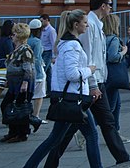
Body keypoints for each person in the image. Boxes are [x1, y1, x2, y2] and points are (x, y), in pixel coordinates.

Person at [45, 0, 130, 166]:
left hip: (97, 81)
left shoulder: (97, 24)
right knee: (96, 124)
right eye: (110, 4)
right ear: (103, 6)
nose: (111, 7)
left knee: (86, 124)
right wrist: (93, 85)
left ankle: (123, 159)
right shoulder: (89, 25)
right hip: (93, 83)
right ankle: (123, 159)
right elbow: (87, 58)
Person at [23, 10, 102, 168]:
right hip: (72, 98)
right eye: (85, 22)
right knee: (89, 135)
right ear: (76, 24)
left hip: (69, 97)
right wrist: (90, 70)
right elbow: (72, 74)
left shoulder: (67, 43)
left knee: (55, 138)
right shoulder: (72, 45)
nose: (87, 25)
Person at [0, 22, 36, 143]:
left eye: (14, 34)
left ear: (19, 36)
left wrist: (25, 83)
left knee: (20, 109)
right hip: (14, 84)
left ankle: (21, 133)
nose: (11, 36)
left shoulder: (25, 50)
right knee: (8, 106)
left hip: (21, 85)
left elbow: (28, 69)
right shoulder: (17, 49)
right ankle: (13, 131)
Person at [103, 14, 129, 143]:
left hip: (106, 75)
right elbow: (113, 57)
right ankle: (83, 129)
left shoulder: (103, 38)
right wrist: (123, 52)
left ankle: (117, 132)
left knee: (117, 105)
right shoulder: (113, 39)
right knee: (110, 108)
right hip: (113, 76)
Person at [27, 19, 48, 125]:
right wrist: (40, 73)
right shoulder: (37, 42)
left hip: (27, 71)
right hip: (37, 71)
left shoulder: (26, 40)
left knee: (28, 95)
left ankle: (27, 115)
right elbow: (38, 58)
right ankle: (36, 116)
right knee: (39, 96)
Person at [40, 14, 56, 92]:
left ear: (46, 20)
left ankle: (41, 90)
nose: (41, 23)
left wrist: (53, 56)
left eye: (42, 21)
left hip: (48, 52)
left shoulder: (51, 30)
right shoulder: (43, 30)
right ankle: (50, 90)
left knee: (43, 70)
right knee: (49, 73)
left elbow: (53, 43)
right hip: (43, 52)